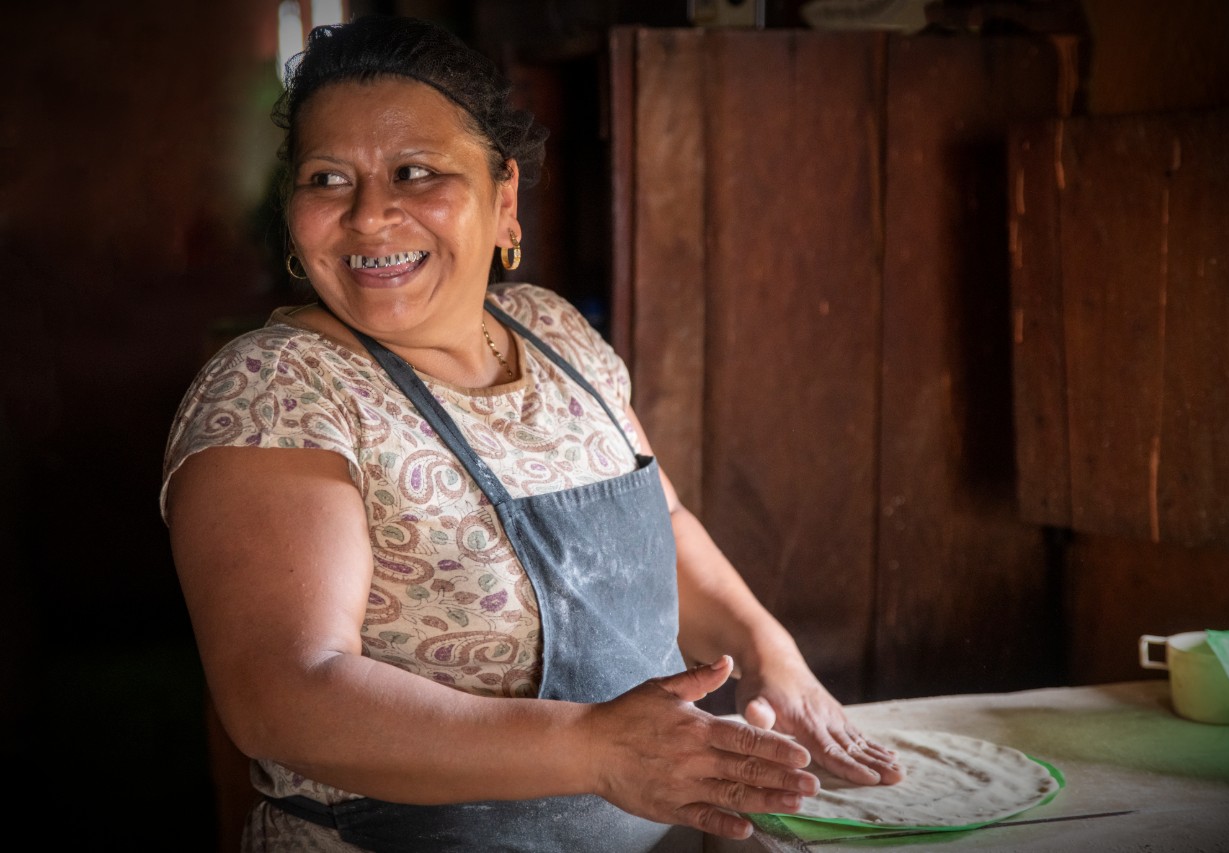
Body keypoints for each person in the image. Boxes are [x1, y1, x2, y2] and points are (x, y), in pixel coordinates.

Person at [161, 14, 903, 853]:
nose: (370, 216)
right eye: (328, 179)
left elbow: (661, 525)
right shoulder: (278, 390)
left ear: (504, 199)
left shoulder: (557, 335)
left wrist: (776, 659)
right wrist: (594, 750)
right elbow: (285, 694)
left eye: (414, 172)